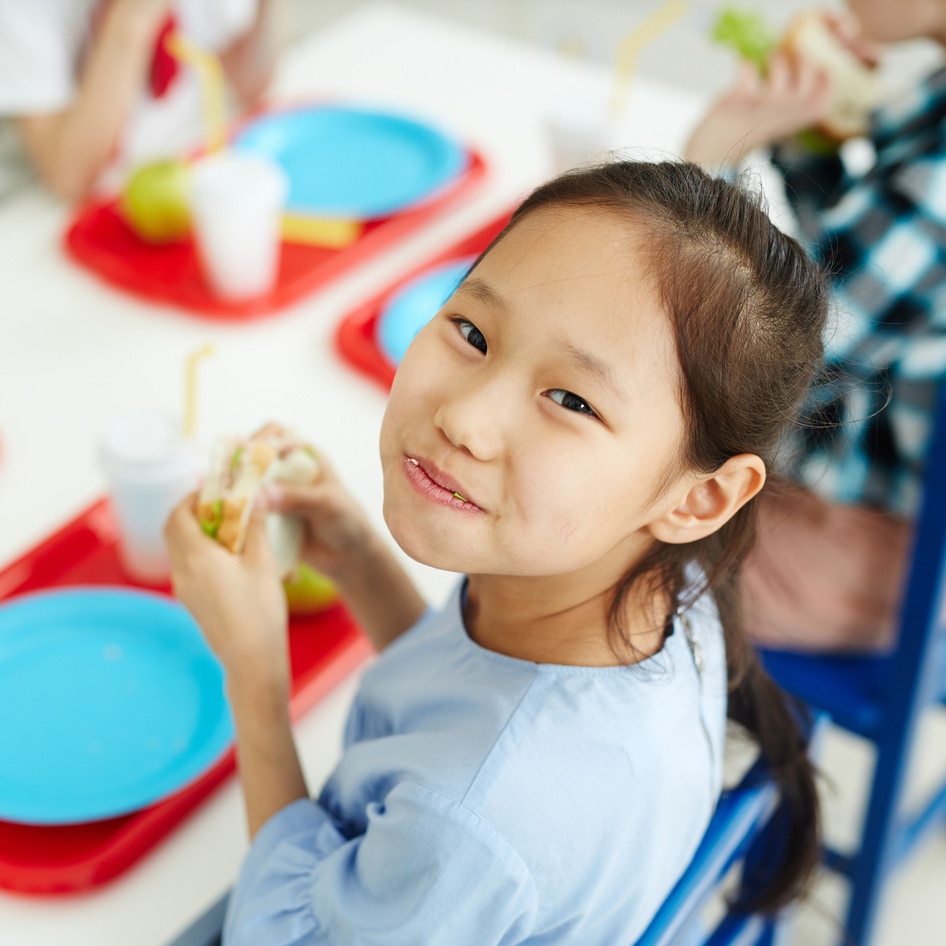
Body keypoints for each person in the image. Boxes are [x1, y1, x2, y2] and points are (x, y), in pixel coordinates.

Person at [164, 160, 828, 945]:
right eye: (472, 333)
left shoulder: (473, 821)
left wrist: (254, 676)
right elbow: (471, 693)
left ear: (700, 497)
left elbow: (286, 931)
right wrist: (356, 560)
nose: (465, 420)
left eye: (572, 401)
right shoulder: (646, 577)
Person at [684, 0, 946, 651]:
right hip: (868, 493)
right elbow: (852, 266)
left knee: (600, 531)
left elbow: (761, 373)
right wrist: (805, 134)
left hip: (897, 556)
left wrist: (706, 167)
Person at [0, 0, 276, 199]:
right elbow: (70, 175)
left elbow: (251, 84)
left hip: (205, 164)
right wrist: (131, 20)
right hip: (103, 199)